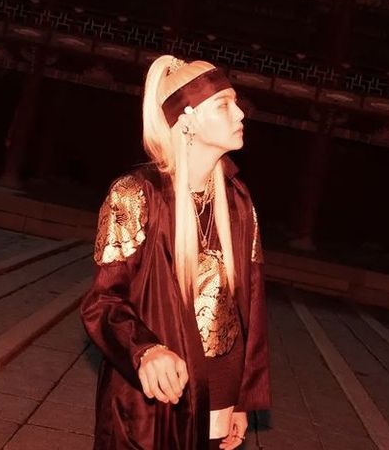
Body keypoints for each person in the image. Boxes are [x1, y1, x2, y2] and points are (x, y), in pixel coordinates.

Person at [81, 55, 270, 449]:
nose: (240, 114)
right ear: (187, 120)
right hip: (153, 398)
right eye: (224, 105)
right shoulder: (137, 194)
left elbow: (250, 305)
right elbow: (103, 301)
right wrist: (145, 350)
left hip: (219, 398)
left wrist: (241, 401)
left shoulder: (238, 200)